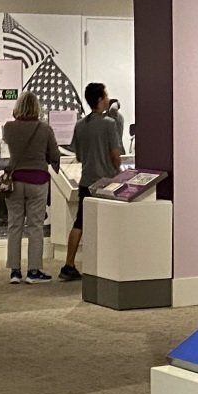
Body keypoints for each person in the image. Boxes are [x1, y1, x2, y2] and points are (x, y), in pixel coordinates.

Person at [62, 81, 123, 282]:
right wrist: (117, 170)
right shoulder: (109, 124)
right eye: (105, 96)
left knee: (80, 221)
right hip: (106, 182)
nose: (107, 100)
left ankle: (68, 264)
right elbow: (115, 153)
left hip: (86, 181)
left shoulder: (80, 125)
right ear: (99, 99)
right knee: (109, 224)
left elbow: (79, 156)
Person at [1, 91, 60, 284]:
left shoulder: (8, 128)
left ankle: (15, 272)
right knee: (35, 226)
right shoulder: (44, 129)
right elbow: (54, 154)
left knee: (14, 226)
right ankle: (34, 271)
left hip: (15, 180)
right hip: (38, 179)